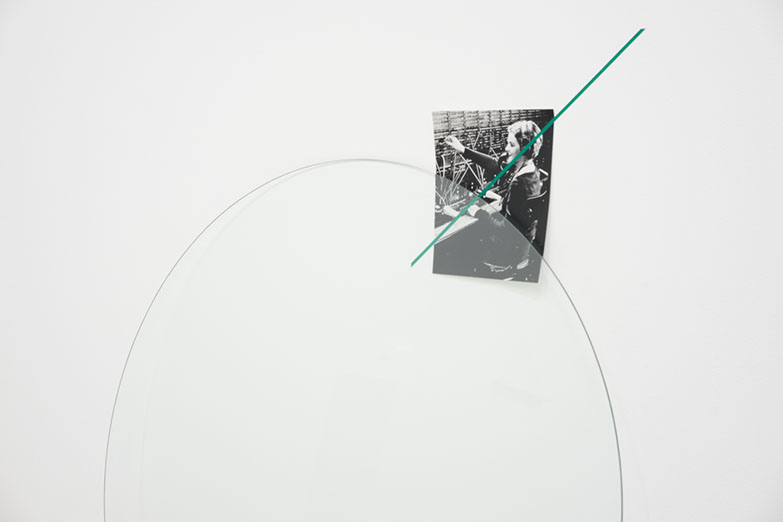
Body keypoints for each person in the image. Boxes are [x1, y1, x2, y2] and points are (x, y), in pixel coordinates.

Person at [442, 120, 549, 274]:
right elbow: (493, 164)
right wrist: (463, 149)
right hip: (522, 249)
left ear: (524, 150)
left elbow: (504, 230)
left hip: (506, 254)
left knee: (461, 243)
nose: (506, 148)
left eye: (511, 144)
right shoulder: (533, 172)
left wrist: (477, 211)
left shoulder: (519, 184)